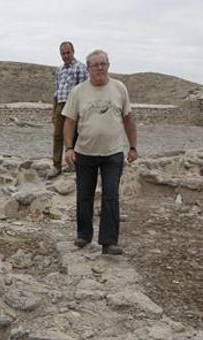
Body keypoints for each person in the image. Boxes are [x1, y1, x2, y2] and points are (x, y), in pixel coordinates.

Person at [62, 49, 138, 255]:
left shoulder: (119, 88)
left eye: (103, 64)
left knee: (111, 195)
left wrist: (132, 146)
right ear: (88, 69)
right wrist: (68, 148)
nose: (100, 68)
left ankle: (109, 241)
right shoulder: (78, 91)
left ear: (108, 66)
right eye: (95, 65)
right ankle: (84, 235)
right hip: (85, 152)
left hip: (113, 153)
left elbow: (128, 119)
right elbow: (69, 122)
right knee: (84, 195)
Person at [52, 41, 88, 175]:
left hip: (74, 105)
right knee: (57, 135)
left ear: (73, 52)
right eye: (63, 53)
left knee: (74, 136)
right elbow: (56, 92)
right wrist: (54, 110)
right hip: (61, 105)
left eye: (68, 53)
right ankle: (56, 165)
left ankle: (74, 164)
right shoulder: (59, 69)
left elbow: (84, 90)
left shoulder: (80, 67)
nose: (66, 56)